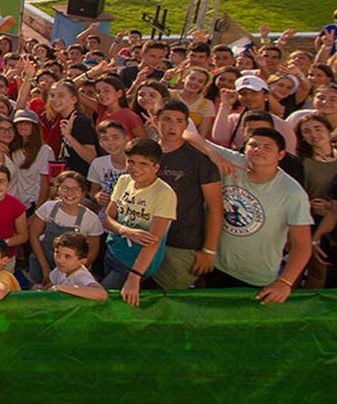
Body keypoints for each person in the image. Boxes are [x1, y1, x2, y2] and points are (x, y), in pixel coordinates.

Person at [182, 125, 313, 302]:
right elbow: (188, 134)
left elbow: (302, 245)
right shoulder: (235, 161)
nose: (259, 150)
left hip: (256, 277)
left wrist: (285, 282)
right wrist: (214, 156)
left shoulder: (292, 193)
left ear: (280, 155)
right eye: (253, 145)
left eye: (268, 147)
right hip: (215, 265)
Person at [153, 100, 223, 291]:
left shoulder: (199, 159)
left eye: (179, 120)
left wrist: (209, 250)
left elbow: (215, 207)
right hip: (147, 239)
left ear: (186, 125)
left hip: (182, 244)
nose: (172, 126)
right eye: (166, 119)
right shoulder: (148, 153)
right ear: (155, 120)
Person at [101, 138, 175, 306]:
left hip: (133, 263)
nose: (135, 168)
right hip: (113, 251)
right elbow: (107, 218)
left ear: (156, 167)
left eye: (143, 164)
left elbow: (153, 241)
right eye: (131, 162)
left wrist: (135, 276)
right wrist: (126, 231)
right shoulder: (123, 181)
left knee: (104, 299)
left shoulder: (164, 194)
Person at [48, 232, 109, 301]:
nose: (60, 260)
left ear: (82, 262)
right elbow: (50, 285)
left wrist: (61, 288)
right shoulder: (62, 268)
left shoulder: (81, 276)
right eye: (57, 253)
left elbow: (102, 294)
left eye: (67, 256)